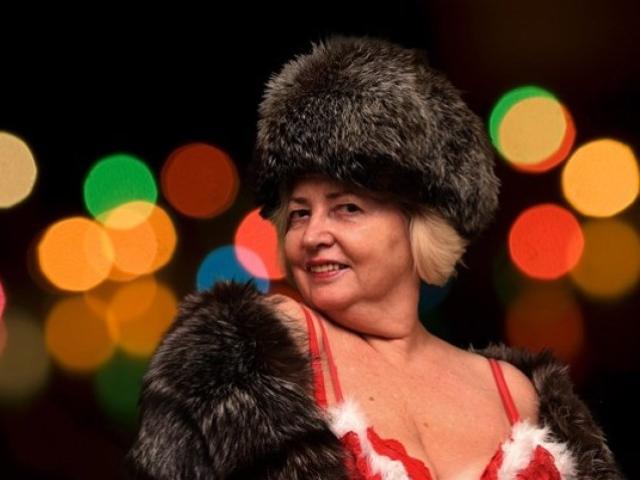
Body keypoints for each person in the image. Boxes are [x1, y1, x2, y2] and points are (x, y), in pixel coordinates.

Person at [127, 36, 622, 479]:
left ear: (417, 225)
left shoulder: (514, 393)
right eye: (298, 213)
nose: (313, 234)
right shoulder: (253, 355)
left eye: (347, 208)